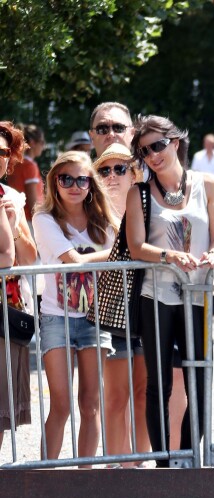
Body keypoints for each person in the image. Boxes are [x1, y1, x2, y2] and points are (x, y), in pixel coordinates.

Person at [126, 114, 214, 467]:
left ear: (176, 143)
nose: (153, 155)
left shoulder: (207, 183)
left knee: (199, 377)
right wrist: (170, 255)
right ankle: (165, 463)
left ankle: (186, 455)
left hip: (198, 293)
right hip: (156, 296)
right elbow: (137, 247)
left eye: (158, 145)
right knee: (159, 383)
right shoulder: (139, 194)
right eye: (144, 150)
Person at [32, 151, 116, 462]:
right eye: (66, 178)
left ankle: (84, 480)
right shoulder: (44, 219)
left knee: (91, 404)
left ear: (91, 185)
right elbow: (73, 259)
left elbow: (129, 247)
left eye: (82, 179)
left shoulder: (104, 221)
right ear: (54, 182)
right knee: (61, 404)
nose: (74, 185)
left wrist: (113, 252)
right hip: (57, 318)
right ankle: (44, 481)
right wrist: (109, 254)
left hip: (96, 318)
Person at [93, 142, 150, 467]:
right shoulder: (91, 212)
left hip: (141, 306)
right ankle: (117, 467)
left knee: (143, 392)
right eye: (104, 169)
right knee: (113, 395)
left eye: (120, 168)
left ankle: (140, 464)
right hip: (106, 313)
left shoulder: (144, 206)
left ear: (134, 173)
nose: (112, 176)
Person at [0, 121, 38, 450]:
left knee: (1, 400)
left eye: (2, 152)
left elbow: (29, 258)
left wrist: (14, 227)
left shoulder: (12, 196)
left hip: (7, 307)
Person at [7, 124, 45, 224]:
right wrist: (41, 222)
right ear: (32, 142)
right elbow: (32, 200)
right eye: (42, 142)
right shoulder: (29, 166)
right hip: (29, 220)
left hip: (16, 217)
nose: (43, 146)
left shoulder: (16, 164)